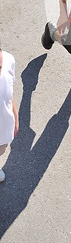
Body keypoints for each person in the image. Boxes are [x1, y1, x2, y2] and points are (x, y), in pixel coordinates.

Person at [0, 48, 19, 182]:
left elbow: (8, 94)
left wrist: (15, 117)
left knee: (1, 149)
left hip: (3, 129)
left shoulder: (8, 61)